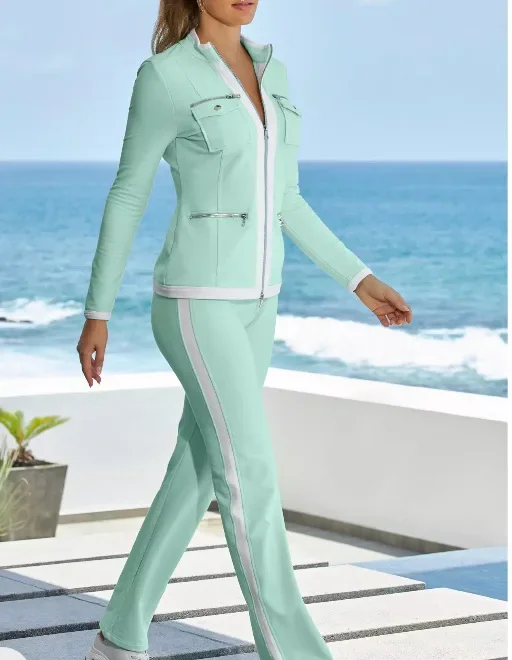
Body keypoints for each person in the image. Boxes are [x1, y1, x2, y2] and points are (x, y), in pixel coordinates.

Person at [78, 1, 413, 658]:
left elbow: (286, 199)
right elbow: (128, 192)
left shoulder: (272, 71)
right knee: (250, 475)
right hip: (196, 302)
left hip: (260, 304)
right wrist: (99, 311)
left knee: (199, 470)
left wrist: (359, 278)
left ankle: (118, 635)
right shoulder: (165, 77)